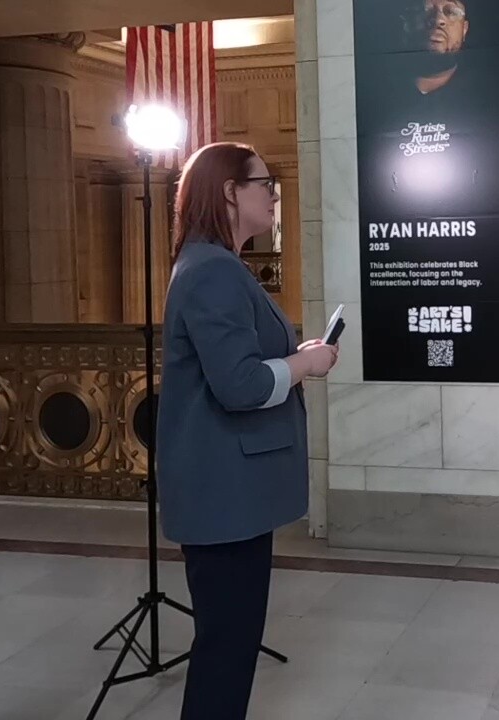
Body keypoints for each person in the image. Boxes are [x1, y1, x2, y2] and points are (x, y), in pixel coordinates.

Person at [156, 142, 339, 720]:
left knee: (230, 646)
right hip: (223, 492)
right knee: (226, 651)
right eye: (265, 184)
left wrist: (295, 358)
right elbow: (239, 386)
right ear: (230, 192)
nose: (274, 196)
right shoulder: (213, 269)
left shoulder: (216, 264)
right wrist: (305, 365)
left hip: (230, 492)